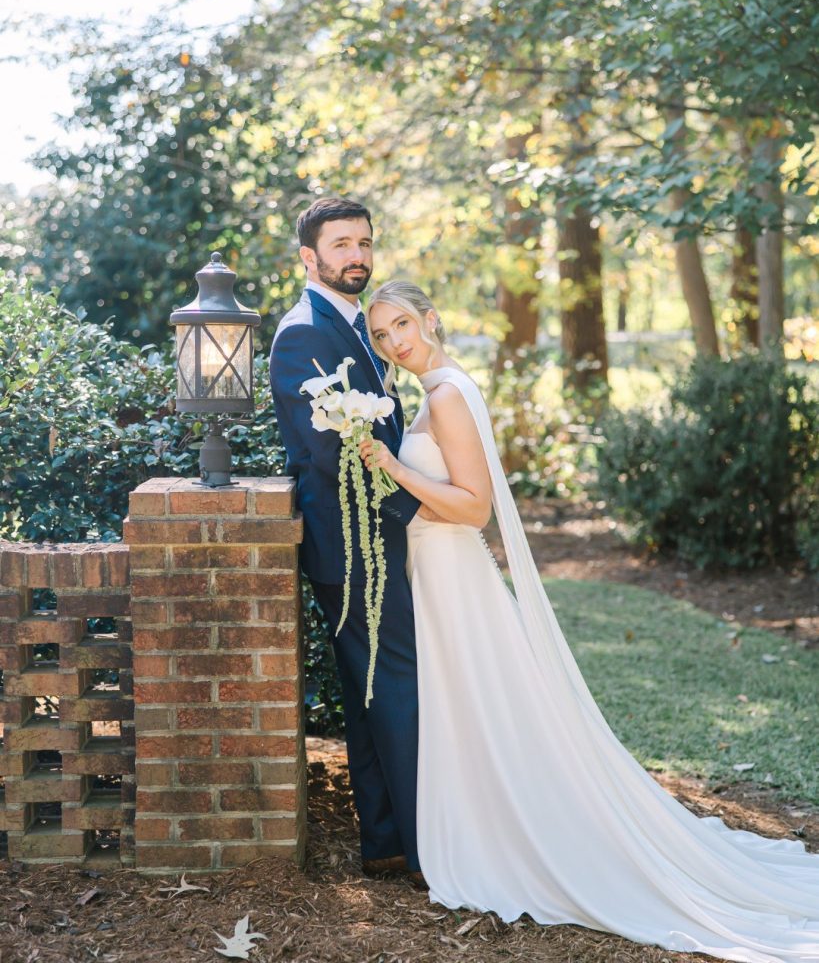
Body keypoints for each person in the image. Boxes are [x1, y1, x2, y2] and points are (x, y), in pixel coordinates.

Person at [360, 280, 819, 963]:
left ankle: (508, 837)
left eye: (402, 323)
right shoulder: (435, 390)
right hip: (437, 575)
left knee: (480, 705)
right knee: (475, 711)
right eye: (379, 334)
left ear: (430, 319)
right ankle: (486, 821)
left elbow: (472, 507)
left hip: (454, 573)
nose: (394, 341)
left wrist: (393, 466)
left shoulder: (449, 395)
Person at [269, 198, 426, 887]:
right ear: (310, 257)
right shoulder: (304, 333)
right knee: (395, 690)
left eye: (363, 242)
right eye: (340, 245)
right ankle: (429, 848)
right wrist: (421, 508)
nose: (356, 254)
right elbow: (329, 457)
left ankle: (388, 842)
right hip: (356, 545)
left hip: (374, 539)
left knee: (373, 696)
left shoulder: (354, 325)